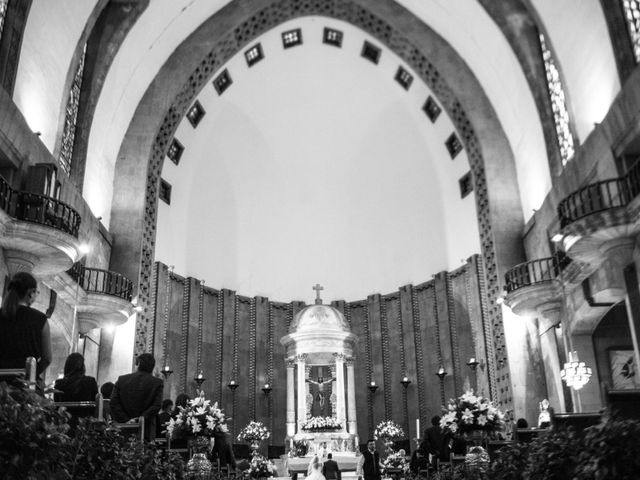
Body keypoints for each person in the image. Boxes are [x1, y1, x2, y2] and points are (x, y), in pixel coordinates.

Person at [0, 272, 52, 386]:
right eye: (36, 292)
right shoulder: (40, 319)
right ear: (31, 292)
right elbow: (47, 358)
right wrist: (32, 373)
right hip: (25, 384)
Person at [110, 353, 163, 440]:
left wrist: (126, 420)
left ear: (138, 364)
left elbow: (113, 402)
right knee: (145, 452)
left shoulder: (122, 379)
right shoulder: (157, 383)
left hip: (123, 428)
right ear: (152, 367)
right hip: (147, 428)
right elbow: (157, 405)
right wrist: (140, 419)